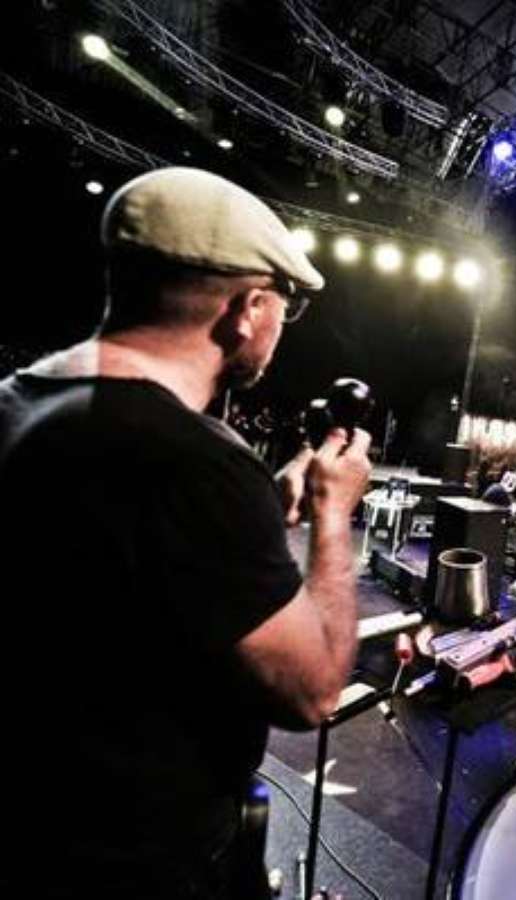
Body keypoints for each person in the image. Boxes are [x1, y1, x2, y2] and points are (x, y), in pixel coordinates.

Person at [0, 167, 372, 898]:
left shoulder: (21, 400)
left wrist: (256, 513)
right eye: (285, 304)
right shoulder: (190, 464)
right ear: (248, 310)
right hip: (138, 864)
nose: (281, 324)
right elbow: (313, 691)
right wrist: (334, 515)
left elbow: (129, 565)